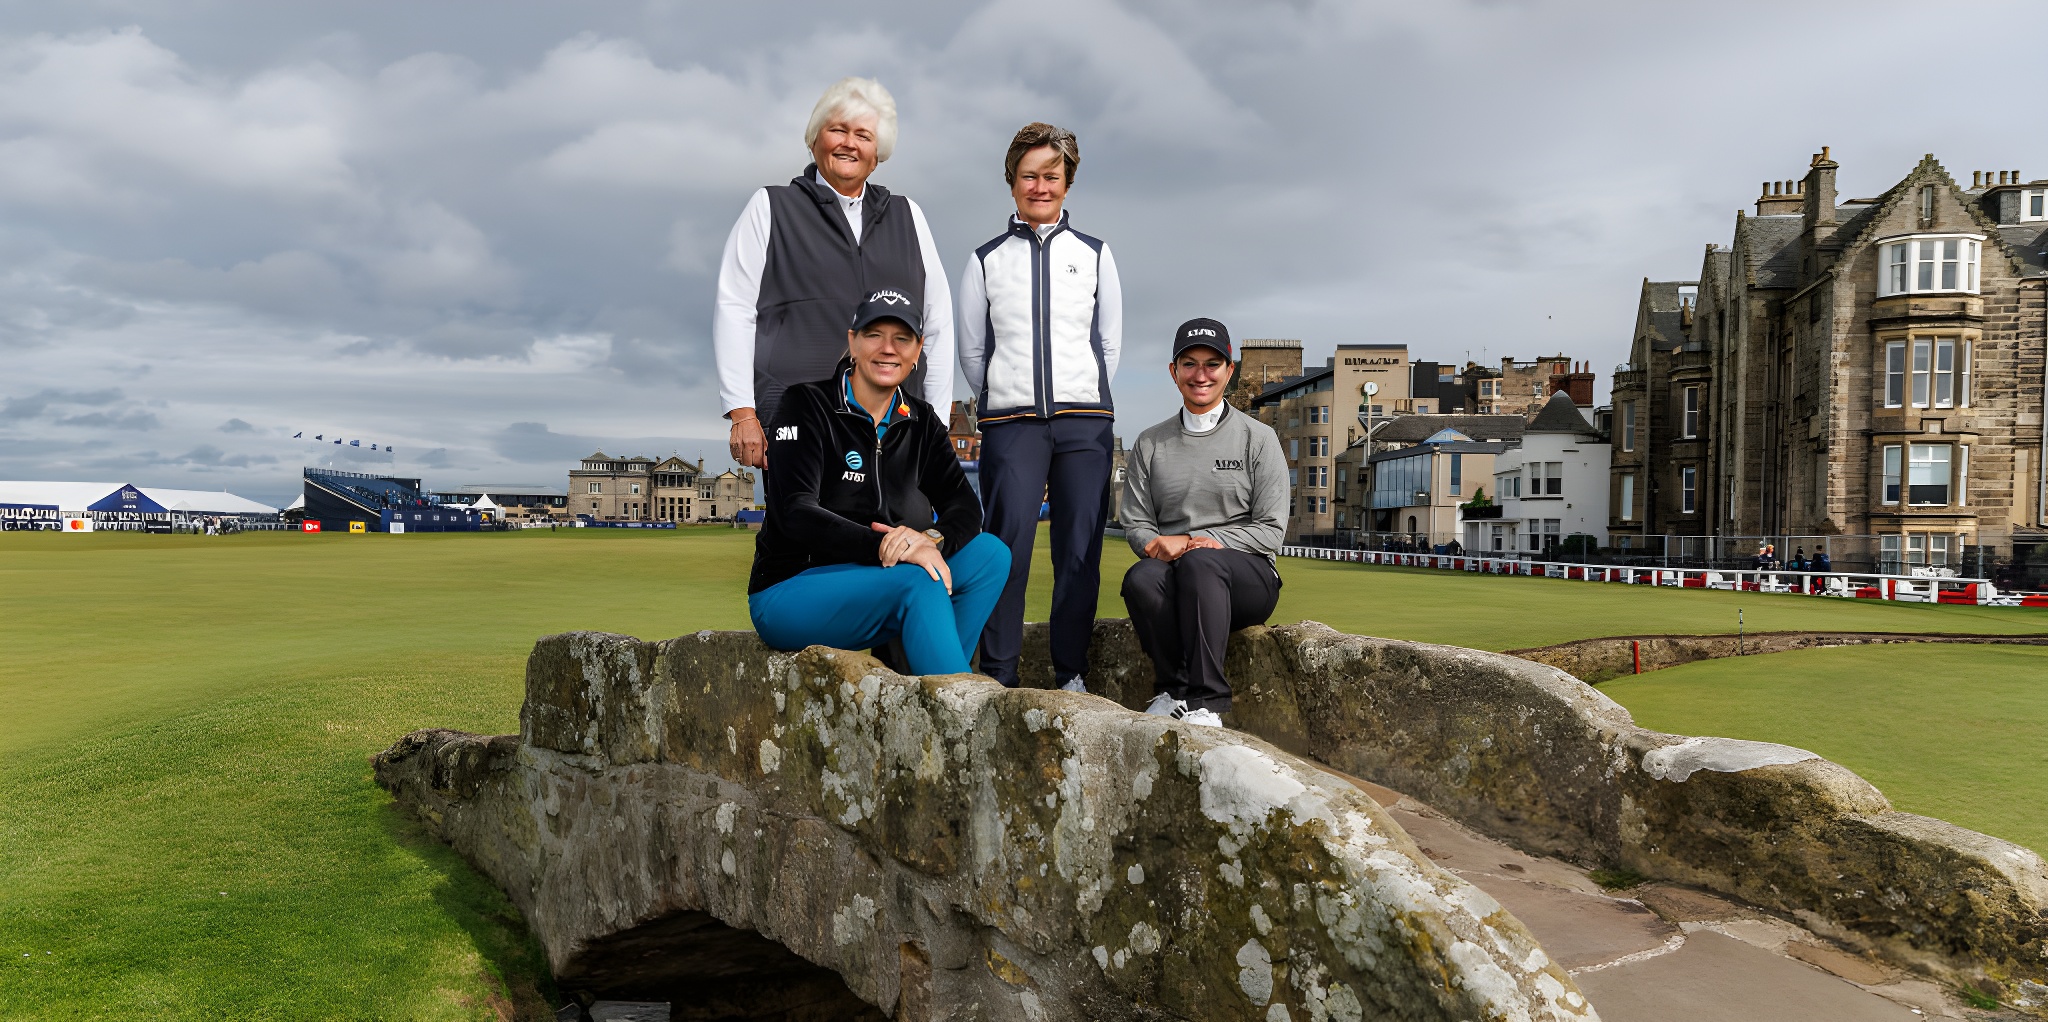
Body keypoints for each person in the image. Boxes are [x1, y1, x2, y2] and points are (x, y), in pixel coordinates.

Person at [747, 288, 1010, 676]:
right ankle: (954, 711)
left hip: (879, 579)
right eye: (874, 335)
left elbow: (964, 506)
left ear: (918, 350)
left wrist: (931, 540)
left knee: (990, 555)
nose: (888, 349)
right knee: (920, 579)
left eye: (902, 338)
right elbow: (795, 512)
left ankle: (922, 678)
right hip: (791, 588)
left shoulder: (920, 420)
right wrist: (890, 546)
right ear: (852, 341)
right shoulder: (806, 403)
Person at [714, 77, 953, 470]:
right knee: (805, 530)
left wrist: (938, 423)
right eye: (837, 129)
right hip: (799, 419)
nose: (849, 143)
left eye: (863, 135)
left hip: (896, 426)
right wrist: (742, 412)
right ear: (814, 140)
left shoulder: (908, 215)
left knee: (896, 532)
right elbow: (734, 308)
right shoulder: (770, 207)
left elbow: (938, 323)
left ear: (878, 153)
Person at [957, 122, 1122, 691]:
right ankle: (998, 675)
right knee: (1007, 551)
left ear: (1067, 182)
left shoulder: (1095, 255)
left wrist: (1082, 398)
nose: (1040, 186)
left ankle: (1070, 673)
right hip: (1012, 423)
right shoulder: (985, 260)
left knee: (1079, 550)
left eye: (1051, 175)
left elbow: (1108, 345)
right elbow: (973, 351)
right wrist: (1005, 399)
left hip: (1085, 424)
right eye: (1029, 175)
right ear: (1012, 183)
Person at [1118, 319, 1287, 727]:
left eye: (1213, 364)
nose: (1201, 375)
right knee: (1140, 578)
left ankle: (1208, 701)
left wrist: (1194, 540)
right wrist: (1155, 546)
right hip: (1177, 573)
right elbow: (1137, 522)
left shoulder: (1258, 438)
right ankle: (1172, 690)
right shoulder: (1150, 442)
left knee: (1200, 562)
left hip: (1247, 578)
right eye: (1190, 364)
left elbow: (1271, 529)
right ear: (1174, 372)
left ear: (1230, 371)